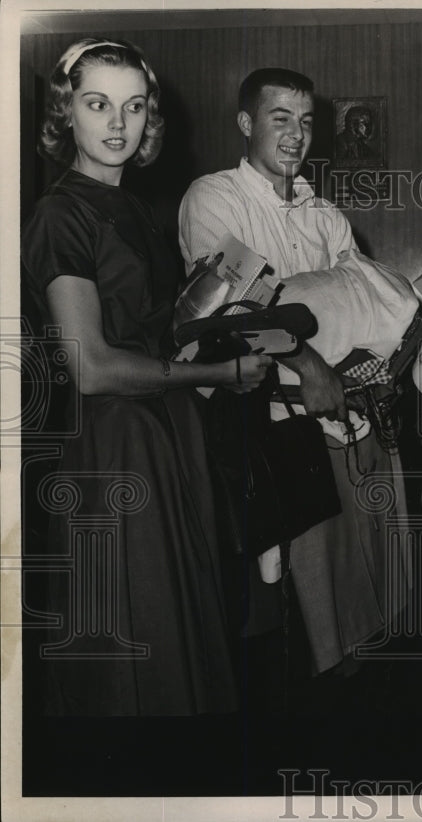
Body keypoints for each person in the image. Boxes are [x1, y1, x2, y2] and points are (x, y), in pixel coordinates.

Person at [21, 38, 272, 715]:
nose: (117, 124)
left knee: (183, 638)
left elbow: (144, 328)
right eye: (98, 104)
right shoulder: (58, 214)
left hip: (168, 436)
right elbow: (94, 367)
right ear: (65, 110)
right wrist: (219, 371)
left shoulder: (134, 210)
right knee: (141, 655)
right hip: (117, 446)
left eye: (133, 108)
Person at [178, 67, 407, 679]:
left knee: (367, 592)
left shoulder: (325, 213)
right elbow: (231, 313)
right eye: (280, 118)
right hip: (266, 422)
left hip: (343, 412)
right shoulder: (214, 198)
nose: (295, 134)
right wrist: (309, 363)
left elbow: (363, 299)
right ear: (247, 123)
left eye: (306, 122)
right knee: (300, 617)